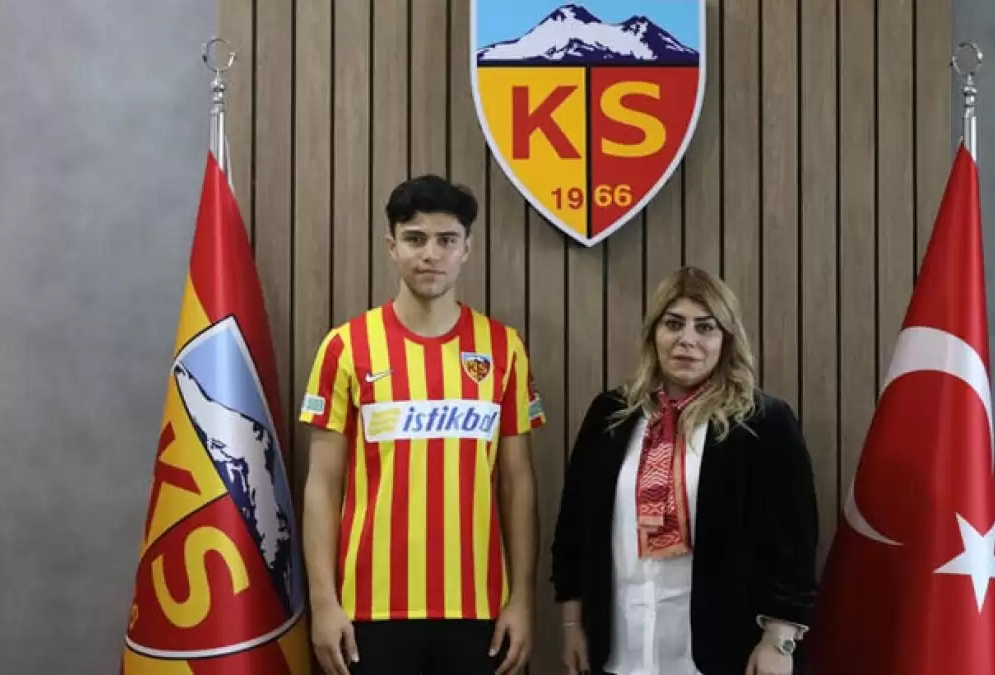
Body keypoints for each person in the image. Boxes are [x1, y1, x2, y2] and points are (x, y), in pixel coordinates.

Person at [299, 174, 546, 675]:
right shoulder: (346, 347)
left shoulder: (504, 348)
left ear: (467, 248)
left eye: (446, 240)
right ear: (391, 245)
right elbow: (322, 484)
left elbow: (517, 482)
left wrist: (522, 599)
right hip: (368, 612)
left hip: (480, 610)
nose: (431, 254)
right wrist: (323, 602)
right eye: (415, 239)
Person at [550, 266, 820, 675]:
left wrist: (778, 641)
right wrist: (572, 625)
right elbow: (573, 528)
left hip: (722, 652)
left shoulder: (763, 421)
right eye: (673, 324)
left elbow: (794, 544)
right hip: (621, 647)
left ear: (726, 339)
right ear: (653, 334)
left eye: (705, 327)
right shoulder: (611, 415)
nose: (687, 340)